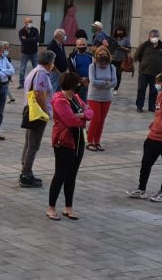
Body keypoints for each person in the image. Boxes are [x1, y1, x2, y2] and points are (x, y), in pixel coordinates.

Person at [126, 73, 162, 203]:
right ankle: (141, 189)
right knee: (146, 163)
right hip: (153, 135)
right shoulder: (161, 94)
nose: (157, 85)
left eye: (159, 83)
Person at [47, 72, 92, 221]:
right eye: (78, 83)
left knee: (72, 175)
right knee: (60, 174)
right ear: (73, 85)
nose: (80, 85)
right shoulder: (60, 100)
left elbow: (90, 112)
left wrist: (80, 115)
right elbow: (70, 121)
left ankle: (68, 207)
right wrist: (81, 116)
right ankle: (51, 207)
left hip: (79, 140)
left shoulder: (76, 98)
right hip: (64, 141)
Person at [20, 51, 57, 188]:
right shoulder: (41, 73)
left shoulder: (36, 70)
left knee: (29, 143)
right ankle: (26, 174)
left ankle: (25, 169)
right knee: (33, 144)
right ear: (49, 62)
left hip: (30, 109)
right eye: (53, 61)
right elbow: (39, 93)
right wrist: (46, 112)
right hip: (36, 111)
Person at [86, 47, 116, 152]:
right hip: (94, 96)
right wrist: (105, 83)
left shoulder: (112, 67)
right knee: (96, 119)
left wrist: (103, 84)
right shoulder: (92, 66)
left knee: (102, 120)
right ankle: (89, 141)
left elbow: (114, 82)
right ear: (96, 55)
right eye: (100, 54)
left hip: (107, 97)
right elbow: (93, 82)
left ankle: (97, 141)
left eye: (105, 54)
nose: (103, 56)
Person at [134, 30, 162, 113]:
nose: (154, 38)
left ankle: (152, 107)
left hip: (156, 74)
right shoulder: (144, 45)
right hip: (144, 72)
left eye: (156, 36)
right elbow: (138, 56)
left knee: (154, 90)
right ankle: (139, 106)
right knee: (141, 89)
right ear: (149, 37)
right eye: (152, 36)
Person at [17, 17, 40, 86]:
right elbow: (23, 41)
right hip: (25, 52)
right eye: (29, 22)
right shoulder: (21, 31)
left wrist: (27, 39)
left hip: (34, 52)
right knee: (22, 68)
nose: (30, 23)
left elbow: (38, 39)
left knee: (36, 68)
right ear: (25, 23)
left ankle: (36, 82)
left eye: (31, 22)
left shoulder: (35, 30)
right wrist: (32, 39)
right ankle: (21, 83)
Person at [68, 36, 93, 101]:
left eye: (83, 44)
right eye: (80, 45)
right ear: (76, 45)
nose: (82, 46)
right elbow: (72, 70)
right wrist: (81, 80)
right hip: (77, 84)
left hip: (89, 83)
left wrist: (88, 79)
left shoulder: (91, 56)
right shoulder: (72, 57)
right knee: (78, 101)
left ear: (87, 45)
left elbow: (94, 69)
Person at [109, 26, 131, 92]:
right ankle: (110, 86)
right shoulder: (113, 38)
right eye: (118, 30)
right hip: (112, 58)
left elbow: (129, 49)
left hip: (121, 59)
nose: (119, 32)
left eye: (121, 31)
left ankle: (116, 88)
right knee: (110, 73)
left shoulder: (126, 39)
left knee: (118, 74)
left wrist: (122, 47)